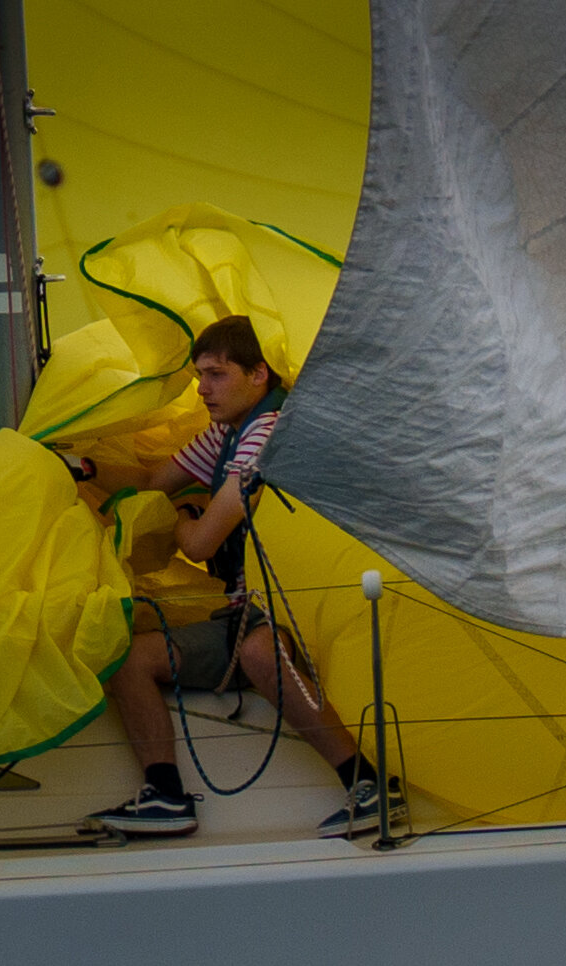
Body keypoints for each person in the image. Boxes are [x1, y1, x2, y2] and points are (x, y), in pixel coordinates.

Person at [87, 315, 400, 838]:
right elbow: (151, 479)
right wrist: (86, 468)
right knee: (129, 657)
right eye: (199, 376)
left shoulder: (267, 432)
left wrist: (181, 516)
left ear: (259, 375)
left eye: (216, 374)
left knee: (258, 652)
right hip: (243, 610)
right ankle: (165, 796)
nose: (202, 389)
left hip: (297, 608)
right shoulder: (227, 432)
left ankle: (369, 785)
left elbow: (201, 543)